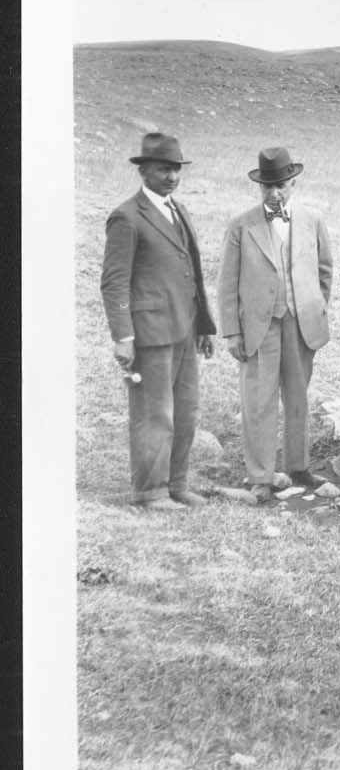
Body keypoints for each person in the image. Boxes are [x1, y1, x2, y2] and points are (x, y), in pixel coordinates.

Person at [100, 132, 217, 511]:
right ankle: (150, 491)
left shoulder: (177, 209)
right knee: (154, 414)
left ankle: (176, 484)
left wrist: (203, 325)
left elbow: (191, 272)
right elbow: (114, 281)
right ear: (143, 170)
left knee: (186, 412)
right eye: (163, 169)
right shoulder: (127, 216)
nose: (171, 176)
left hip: (184, 328)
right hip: (149, 333)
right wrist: (123, 336)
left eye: (176, 169)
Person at [218, 147, 333, 503]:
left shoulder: (313, 220)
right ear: (259, 187)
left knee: (298, 396)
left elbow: (325, 271)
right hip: (258, 326)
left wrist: (313, 308)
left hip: (300, 323)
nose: (274, 193)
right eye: (267, 187)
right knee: (258, 400)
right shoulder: (241, 225)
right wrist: (233, 331)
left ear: (293, 182)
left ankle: (299, 466)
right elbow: (226, 283)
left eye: (280, 185)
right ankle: (261, 476)